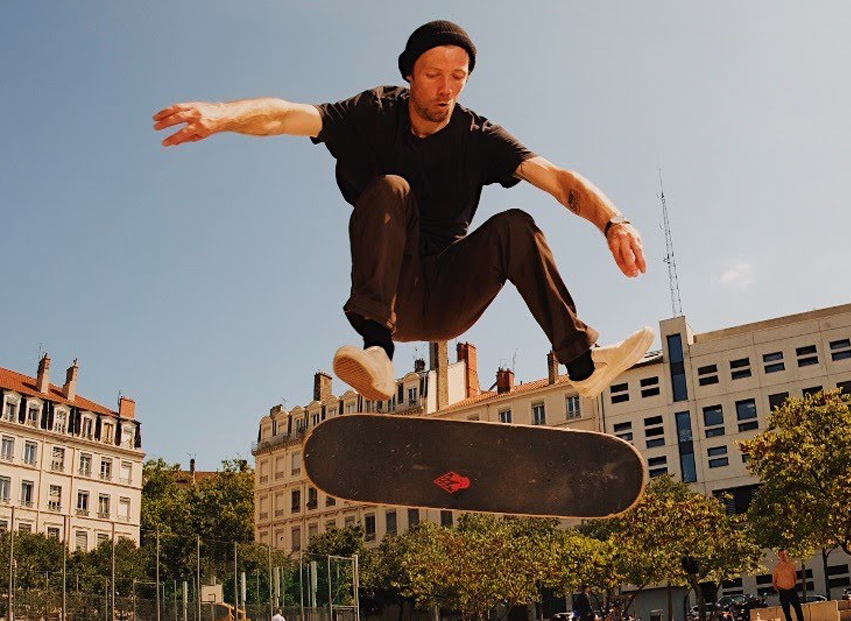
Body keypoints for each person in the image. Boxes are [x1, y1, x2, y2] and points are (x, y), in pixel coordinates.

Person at [154, 20, 654, 400]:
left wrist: (614, 220)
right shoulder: (371, 112)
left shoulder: (480, 137)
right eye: (433, 75)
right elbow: (286, 116)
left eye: (457, 77)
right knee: (392, 187)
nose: (445, 89)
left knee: (517, 226)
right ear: (409, 74)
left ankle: (584, 368)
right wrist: (222, 116)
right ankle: (378, 354)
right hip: (396, 291)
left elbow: (557, 179)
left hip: (452, 293)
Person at [773, 549, 804, 621]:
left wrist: (791, 585)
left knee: (798, 609)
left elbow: (795, 577)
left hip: (792, 591)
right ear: (779, 556)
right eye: (781, 555)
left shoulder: (791, 566)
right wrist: (780, 590)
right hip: (783, 592)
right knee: (786, 612)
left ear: (787, 555)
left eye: (784, 554)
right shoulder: (776, 568)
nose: (783, 556)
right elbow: (774, 582)